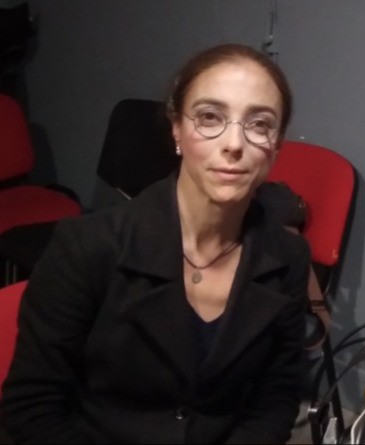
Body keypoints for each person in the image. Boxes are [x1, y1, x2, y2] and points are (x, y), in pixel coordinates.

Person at [1, 43, 311, 443]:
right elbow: (32, 409)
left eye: (259, 123)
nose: (234, 143)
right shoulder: (86, 247)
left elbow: (276, 399)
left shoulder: (288, 257)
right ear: (177, 129)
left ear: (277, 144)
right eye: (210, 117)